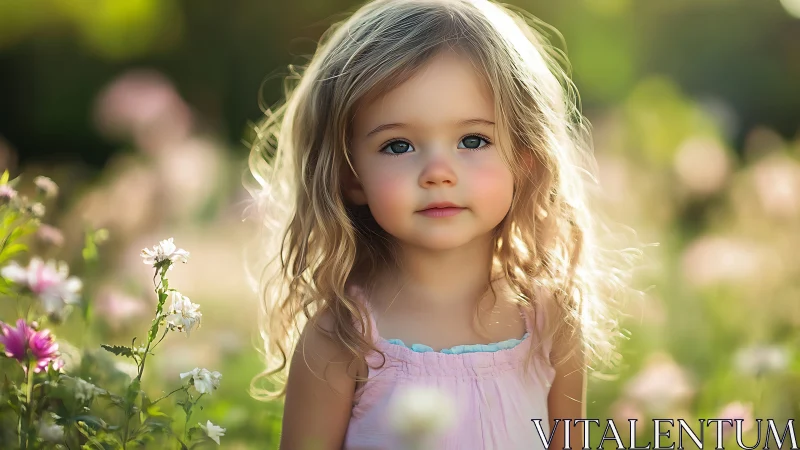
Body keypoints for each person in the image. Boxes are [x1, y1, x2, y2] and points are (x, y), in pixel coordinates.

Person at [244, 0, 640, 448]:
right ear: (350, 177)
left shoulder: (551, 322)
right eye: (398, 146)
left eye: (473, 140)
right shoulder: (342, 339)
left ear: (526, 161)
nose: (438, 171)